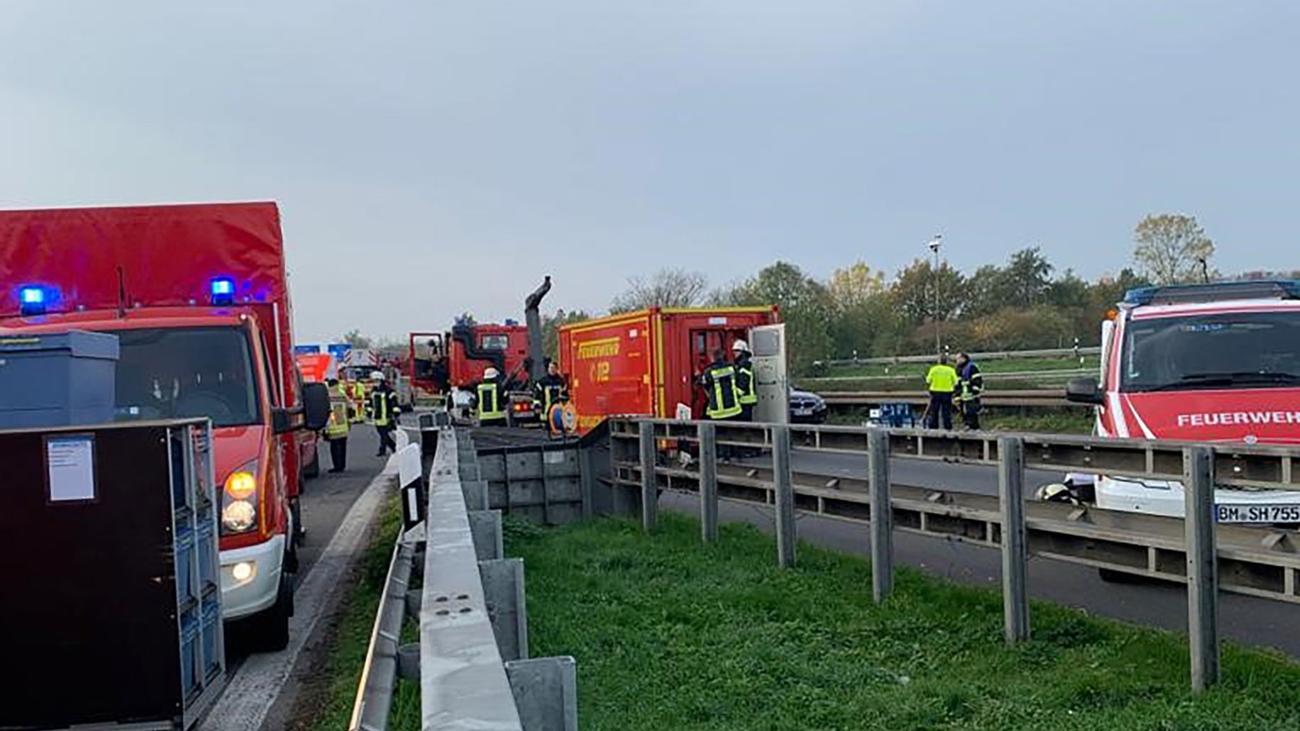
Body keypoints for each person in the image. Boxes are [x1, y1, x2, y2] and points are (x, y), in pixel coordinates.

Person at [368, 371, 400, 456]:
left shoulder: (388, 391)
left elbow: (394, 402)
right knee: (382, 434)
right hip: (377, 417)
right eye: (374, 381)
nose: (375, 383)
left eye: (376, 380)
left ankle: (382, 450)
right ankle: (393, 446)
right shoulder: (373, 391)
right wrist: (369, 411)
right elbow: (371, 402)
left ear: (381, 380)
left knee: (384, 434)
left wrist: (395, 413)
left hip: (386, 416)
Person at [323, 377, 351, 472]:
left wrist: (324, 429)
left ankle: (337, 466)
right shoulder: (342, 395)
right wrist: (349, 422)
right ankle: (342, 465)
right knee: (343, 447)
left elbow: (325, 412)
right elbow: (350, 407)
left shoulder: (327, 396)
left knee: (335, 448)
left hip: (332, 426)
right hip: (343, 425)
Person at [924, 354, 959, 430]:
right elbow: (956, 382)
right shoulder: (951, 370)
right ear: (947, 362)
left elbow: (928, 380)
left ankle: (933, 427)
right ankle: (948, 427)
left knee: (934, 410)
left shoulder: (933, 369)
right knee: (946, 411)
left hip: (935, 391)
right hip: (947, 392)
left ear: (938, 361)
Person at [955, 352, 984, 430]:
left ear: (964, 358)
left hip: (971, 394)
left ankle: (974, 427)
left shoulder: (972, 367)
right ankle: (967, 425)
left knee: (972, 411)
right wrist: (957, 396)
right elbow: (957, 383)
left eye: (958, 358)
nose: (957, 361)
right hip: (963, 395)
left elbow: (977, 379)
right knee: (963, 412)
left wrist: (975, 391)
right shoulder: (958, 369)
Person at [731, 339, 758, 421]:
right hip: (745, 400)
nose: (734, 353)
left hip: (745, 399)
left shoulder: (744, 365)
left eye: (737, 351)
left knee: (744, 423)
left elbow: (743, 384)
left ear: (743, 352)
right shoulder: (742, 363)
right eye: (734, 351)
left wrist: (734, 395)